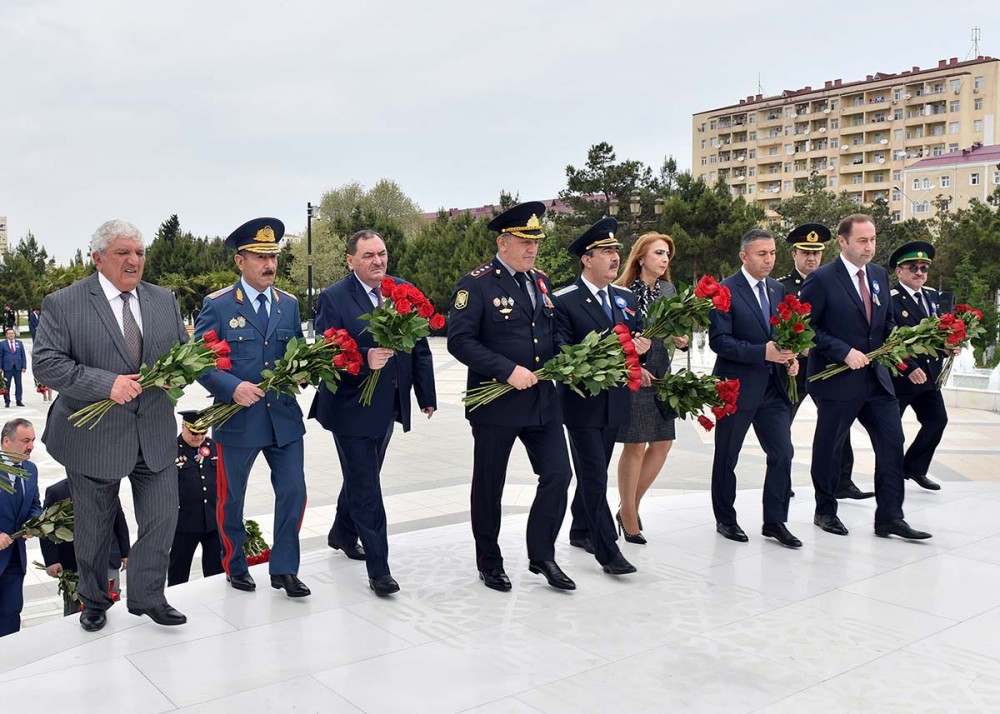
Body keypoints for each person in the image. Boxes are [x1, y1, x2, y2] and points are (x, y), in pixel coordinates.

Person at [33, 219, 190, 631]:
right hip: (92, 437)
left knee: (161, 517)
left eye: (139, 252)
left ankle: (148, 596)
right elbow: (47, 363)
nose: (134, 260)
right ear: (98, 257)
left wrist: (180, 373)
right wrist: (107, 384)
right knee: (95, 525)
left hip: (153, 431)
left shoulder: (162, 300)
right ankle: (94, 600)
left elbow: (183, 352)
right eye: (123, 253)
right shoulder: (64, 303)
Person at [447, 201, 576, 592]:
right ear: (503, 243)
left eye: (536, 242)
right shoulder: (476, 284)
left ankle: (542, 556)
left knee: (557, 474)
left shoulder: (541, 280)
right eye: (524, 242)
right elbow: (460, 341)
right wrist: (506, 370)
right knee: (490, 485)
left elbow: (552, 331)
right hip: (497, 403)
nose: (532, 249)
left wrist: (563, 359)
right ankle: (489, 561)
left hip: (542, 401)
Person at [309, 229, 437, 596]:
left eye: (381, 253)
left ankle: (342, 532)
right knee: (367, 485)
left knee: (362, 475)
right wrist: (363, 360)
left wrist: (425, 394)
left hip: (387, 406)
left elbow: (420, 346)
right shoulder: (334, 298)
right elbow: (326, 351)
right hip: (350, 407)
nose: (377, 261)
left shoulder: (402, 291)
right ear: (350, 260)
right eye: (368, 256)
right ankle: (379, 569)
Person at [195, 217, 310, 598]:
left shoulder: (289, 305)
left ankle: (285, 569)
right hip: (238, 419)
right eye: (260, 256)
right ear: (239, 261)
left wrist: (304, 371)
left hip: (283, 419)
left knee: (294, 491)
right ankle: (235, 564)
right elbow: (201, 361)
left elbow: (295, 350)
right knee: (233, 498)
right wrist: (232, 387)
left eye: (273, 255)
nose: (269, 264)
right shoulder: (218, 305)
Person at [800, 214, 932, 541]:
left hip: (877, 379)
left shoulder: (877, 275)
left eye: (872, 239)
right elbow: (806, 327)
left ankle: (890, 516)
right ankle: (825, 510)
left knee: (892, 443)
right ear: (843, 242)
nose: (869, 246)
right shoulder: (822, 279)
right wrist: (842, 351)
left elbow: (884, 322)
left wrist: (899, 343)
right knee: (830, 447)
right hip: (837, 379)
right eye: (862, 240)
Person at [553, 217, 647, 575]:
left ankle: (580, 530)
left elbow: (635, 339)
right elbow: (561, 351)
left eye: (615, 251)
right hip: (581, 403)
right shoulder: (565, 300)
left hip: (616, 400)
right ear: (586, 259)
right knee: (594, 475)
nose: (613, 258)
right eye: (605, 251)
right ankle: (608, 552)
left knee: (597, 469)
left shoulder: (626, 298)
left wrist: (642, 346)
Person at [709, 229, 801, 547]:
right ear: (744, 256)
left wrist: (789, 358)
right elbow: (719, 341)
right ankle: (725, 519)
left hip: (773, 388)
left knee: (783, 452)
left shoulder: (777, 289)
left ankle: (775, 521)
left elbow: (782, 335)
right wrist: (764, 351)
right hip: (735, 386)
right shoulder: (725, 290)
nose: (769, 259)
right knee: (727, 455)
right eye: (762, 254)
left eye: (773, 253)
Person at [778, 224, 874, 500]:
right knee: (782, 425)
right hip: (794, 367)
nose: (811, 258)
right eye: (806, 252)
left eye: (816, 253)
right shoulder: (782, 287)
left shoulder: (836, 281)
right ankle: (782, 482)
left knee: (839, 425)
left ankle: (843, 481)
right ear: (794, 253)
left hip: (829, 365)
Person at [613, 232, 687, 543]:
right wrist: (633, 365)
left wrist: (682, 340)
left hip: (661, 376)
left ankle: (629, 506)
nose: (664, 259)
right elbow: (613, 336)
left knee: (663, 443)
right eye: (658, 253)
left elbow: (674, 331)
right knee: (636, 445)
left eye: (667, 254)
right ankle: (629, 515)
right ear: (641, 257)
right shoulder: (621, 291)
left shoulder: (669, 289)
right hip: (635, 376)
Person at [887, 241, 950, 491]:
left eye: (924, 268)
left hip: (929, 375)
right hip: (902, 377)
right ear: (899, 271)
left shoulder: (932, 296)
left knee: (937, 421)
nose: (919, 273)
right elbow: (889, 338)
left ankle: (914, 468)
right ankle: (890, 478)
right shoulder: (891, 299)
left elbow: (938, 331)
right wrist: (908, 366)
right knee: (891, 434)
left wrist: (950, 344)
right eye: (913, 267)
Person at [40, 478, 130, 616]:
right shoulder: (56, 491)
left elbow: (119, 519)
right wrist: (51, 560)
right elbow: (45, 527)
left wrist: (126, 553)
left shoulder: (107, 485)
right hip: (74, 561)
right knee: (76, 609)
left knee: (113, 603)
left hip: (108, 556)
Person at [167, 410, 223, 586]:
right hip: (184, 523)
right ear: (184, 426)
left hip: (212, 520)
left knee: (215, 573)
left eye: (203, 432)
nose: (199, 437)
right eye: (194, 432)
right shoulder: (171, 449)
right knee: (178, 572)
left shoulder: (212, 446)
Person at [0, 418, 42, 636]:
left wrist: (33, 523)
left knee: (11, 613)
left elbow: (35, 504)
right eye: (26, 440)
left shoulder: (31, 470)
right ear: (6, 441)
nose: (31, 446)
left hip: (15, 558)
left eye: (33, 440)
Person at [1, 328, 27, 408]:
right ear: (6, 335)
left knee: (18, 384)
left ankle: (18, 400)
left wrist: (24, 366)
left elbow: (23, 355)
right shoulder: (2, 344)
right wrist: (0, 367)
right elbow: (0, 356)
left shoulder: (19, 343)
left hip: (17, 367)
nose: (11, 335)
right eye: (9, 333)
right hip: (7, 367)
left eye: (12, 333)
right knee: (7, 385)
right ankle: (7, 401)